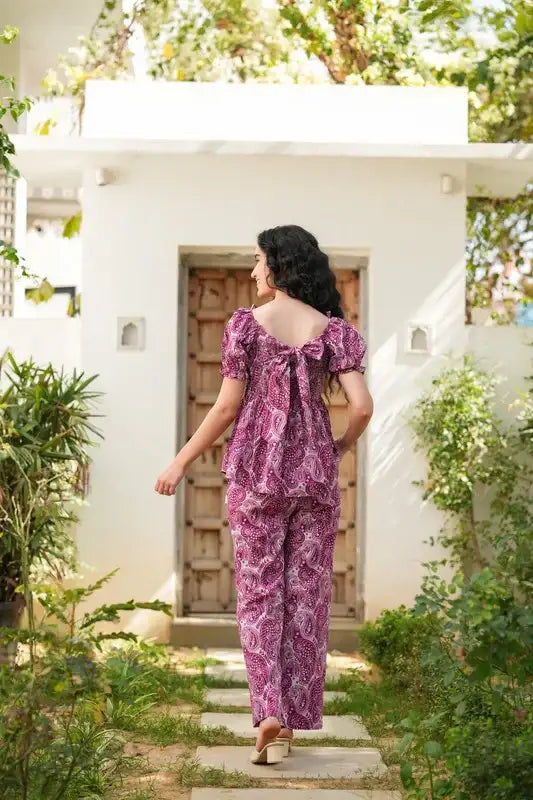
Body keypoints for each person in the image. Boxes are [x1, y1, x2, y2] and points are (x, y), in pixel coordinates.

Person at [155, 225, 373, 764]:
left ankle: (269, 711)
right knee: (306, 598)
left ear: (278, 264)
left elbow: (227, 408)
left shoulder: (246, 327)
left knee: (259, 594)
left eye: (258, 260)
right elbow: (362, 405)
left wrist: (180, 461)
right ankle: (290, 720)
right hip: (315, 478)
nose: (253, 271)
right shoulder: (335, 332)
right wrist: (341, 444)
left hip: (256, 477)